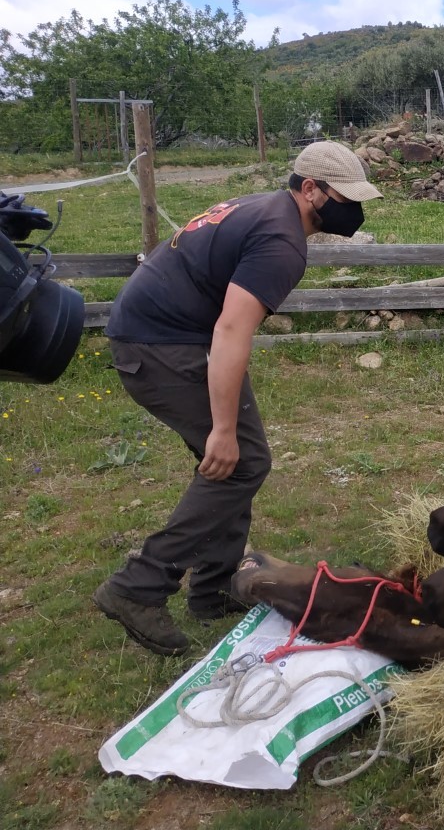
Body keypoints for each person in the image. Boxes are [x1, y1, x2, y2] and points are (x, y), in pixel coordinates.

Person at [93, 141, 383, 656]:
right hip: (162, 346)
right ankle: (138, 587)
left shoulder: (262, 207)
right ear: (309, 188)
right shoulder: (280, 240)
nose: (353, 211)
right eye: (345, 197)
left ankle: (213, 589)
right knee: (240, 461)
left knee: (237, 463)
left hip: (162, 333)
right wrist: (222, 431)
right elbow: (231, 330)